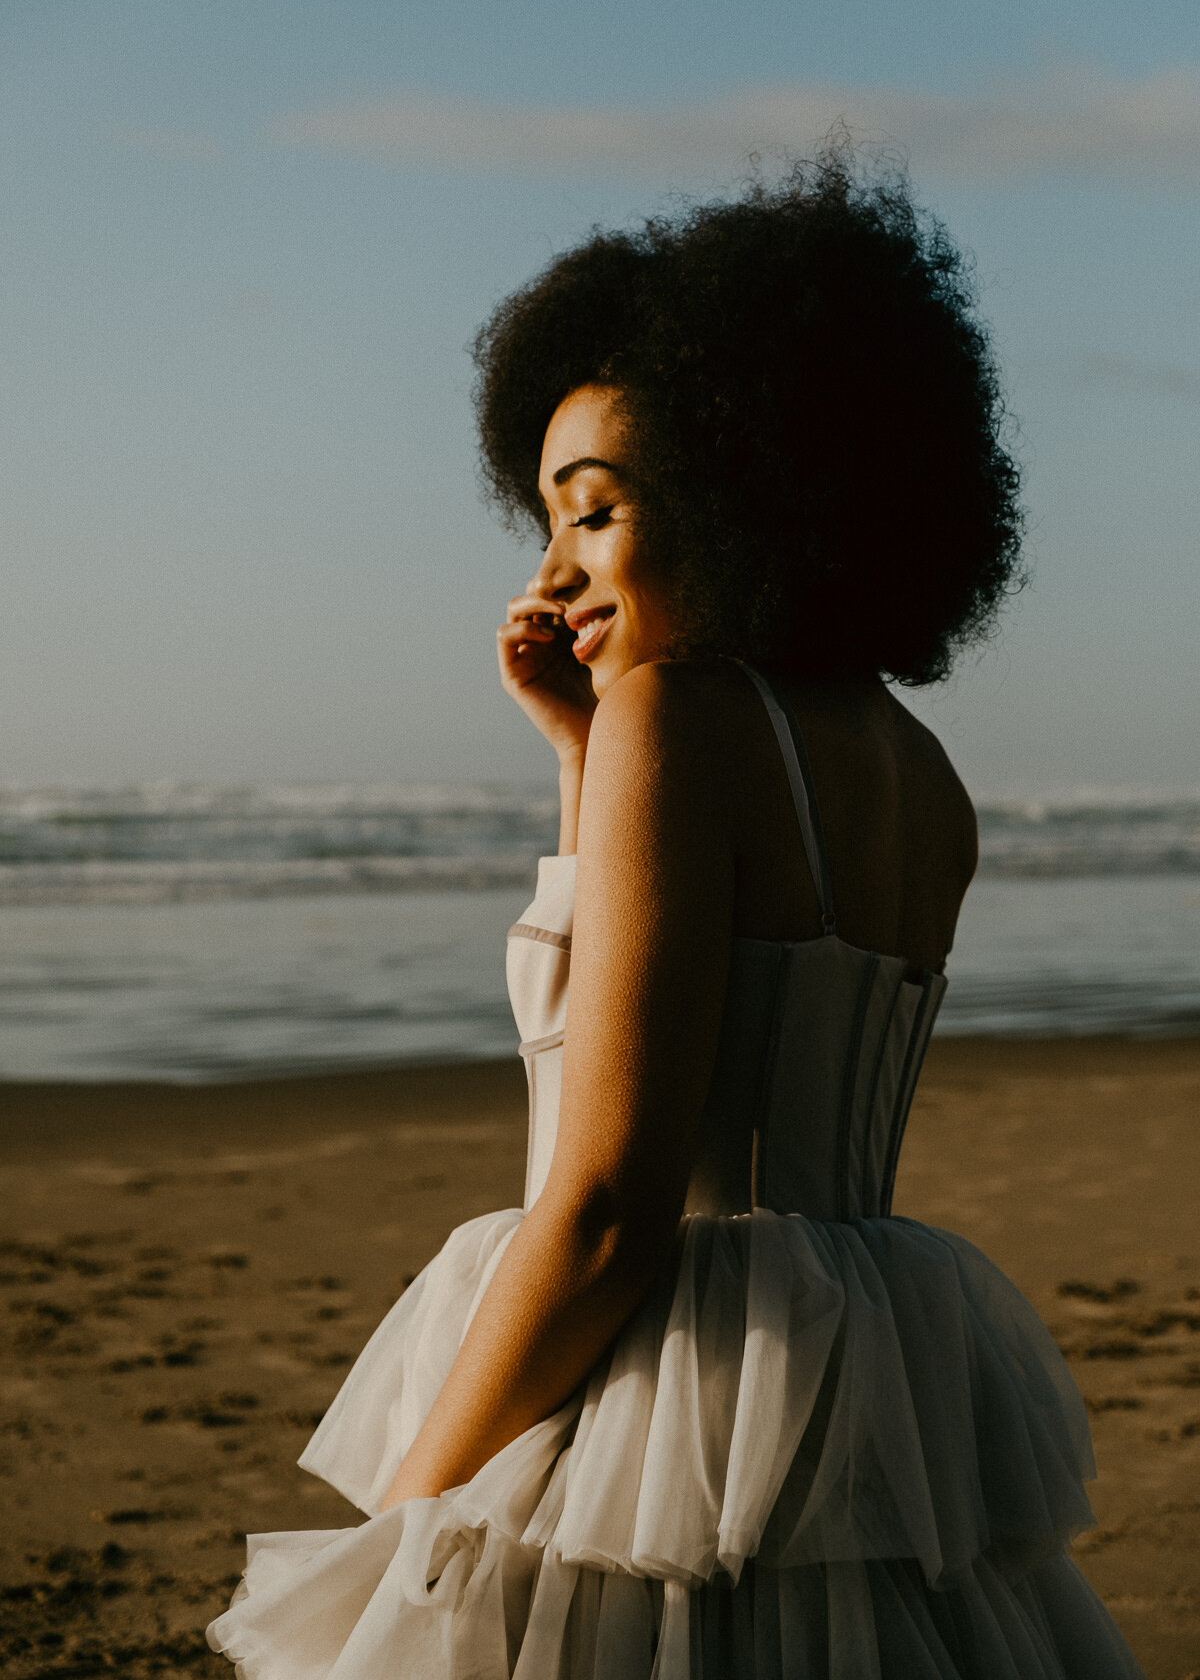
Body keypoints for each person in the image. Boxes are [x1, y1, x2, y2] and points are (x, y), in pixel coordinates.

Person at [207, 156, 1146, 1677]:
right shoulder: (923, 774)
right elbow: (739, 1003)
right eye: (543, 517)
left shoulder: (681, 718)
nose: (552, 564)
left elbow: (611, 1205)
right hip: (854, 1384)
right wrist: (583, 755)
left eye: (595, 511)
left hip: (665, 1400)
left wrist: (409, 1511)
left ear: (746, 491)